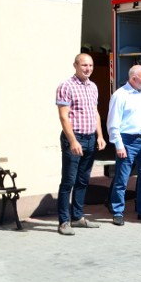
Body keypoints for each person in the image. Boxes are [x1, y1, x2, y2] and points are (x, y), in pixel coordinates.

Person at [55, 53, 107, 236]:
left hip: (90, 138)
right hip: (74, 138)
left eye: (91, 65)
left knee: (83, 180)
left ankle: (77, 217)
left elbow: (95, 113)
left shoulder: (92, 87)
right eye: (84, 65)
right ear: (75, 65)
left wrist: (100, 136)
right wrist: (72, 141)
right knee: (68, 181)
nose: (88, 69)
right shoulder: (66, 86)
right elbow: (63, 116)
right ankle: (64, 221)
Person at [107, 64, 141, 226]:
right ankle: (117, 212)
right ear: (133, 78)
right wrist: (118, 144)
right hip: (128, 141)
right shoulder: (120, 95)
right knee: (122, 178)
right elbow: (113, 123)